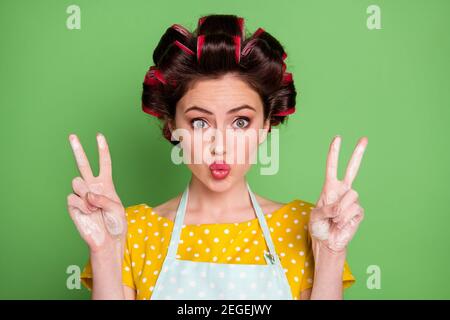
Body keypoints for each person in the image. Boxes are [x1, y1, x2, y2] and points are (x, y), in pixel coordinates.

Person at [67, 14, 367, 300]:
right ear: (172, 126)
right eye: (200, 122)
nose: (219, 146)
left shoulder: (306, 225)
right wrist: (105, 253)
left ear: (265, 126)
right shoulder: (131, 230)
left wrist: (330, 254)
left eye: (240, 122)